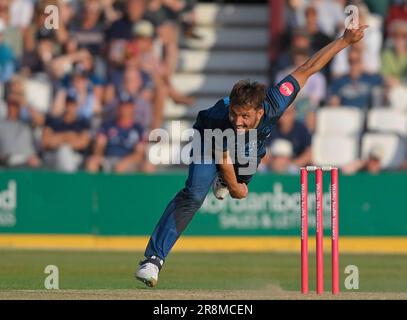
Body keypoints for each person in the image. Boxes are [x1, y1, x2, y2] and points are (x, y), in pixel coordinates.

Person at [135, 25, 368, 287]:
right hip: (209, 143)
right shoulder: (221, 119)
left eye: (245, 116)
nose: (238, 121)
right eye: (235, 113)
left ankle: (225, 181)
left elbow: (308, 68)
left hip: (248, 149)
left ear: (260, 112)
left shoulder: (276, 102)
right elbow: (222, 157)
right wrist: (235, 188)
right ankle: (153, 259)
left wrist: (344, 41)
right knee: (195, 193)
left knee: (244, 163)